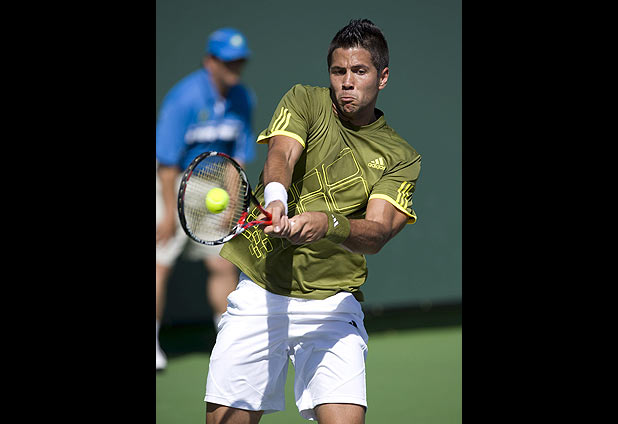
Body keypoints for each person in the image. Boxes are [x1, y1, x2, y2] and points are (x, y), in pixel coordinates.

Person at [204, 19, 422, 423]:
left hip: (333, 305)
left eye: (359, 71)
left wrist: (328, 224)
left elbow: (377, 233)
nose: (347, 82)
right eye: (339, 71)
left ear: (382, 77)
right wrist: (277, 199)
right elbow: (281, 155)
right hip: (261, 293)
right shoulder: (305, 99)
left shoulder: (400, 157)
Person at [155, 27, 256, 371]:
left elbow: (236, 157)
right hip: (173, 183)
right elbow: (166, 163)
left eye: (239, 61)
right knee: (159, 263)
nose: (234, 68)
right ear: (210, 61)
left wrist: (233, 202)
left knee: (223, 264)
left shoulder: (243, 99)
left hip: (216, 187)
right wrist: (168, 214)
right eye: (228, 61)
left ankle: (229, 341)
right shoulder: (184, 98)